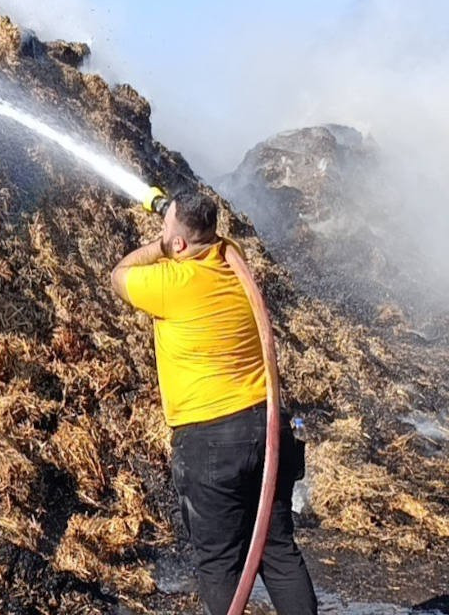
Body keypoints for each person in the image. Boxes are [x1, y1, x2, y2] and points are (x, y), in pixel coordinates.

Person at [110, 189, 317, 615]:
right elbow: (203, 238)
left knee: (220, 562)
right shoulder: (230, 258)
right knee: (277, 548)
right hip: (267, 428)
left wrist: (160, 245)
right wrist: (173, 219)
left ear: (179, 244)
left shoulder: (170, 283)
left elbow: (120, 274)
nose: (163, 234)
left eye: (168, 231)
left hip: (210, 441)